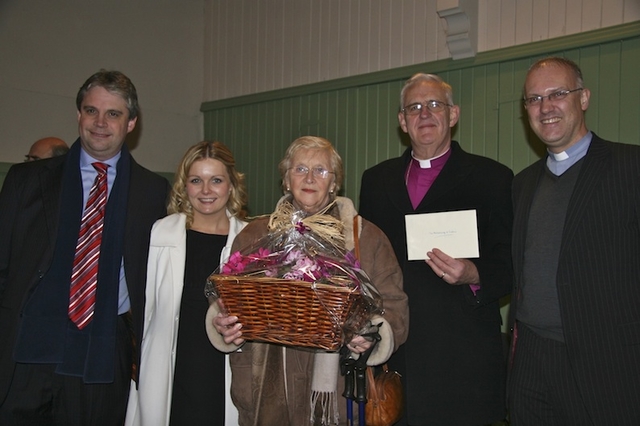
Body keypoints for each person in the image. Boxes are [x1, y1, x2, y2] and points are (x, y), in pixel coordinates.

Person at [0, 70, 170, 425]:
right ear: (79, 115)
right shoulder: (25, 180)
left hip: (102, 356)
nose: (100, 123)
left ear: (132, 123)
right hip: (26, 352)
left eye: (113, 114)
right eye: (91, 111)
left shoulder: (154, 192)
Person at [207, 135, 409, 425]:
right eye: (300, 169)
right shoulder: (255, 235)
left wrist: (372, 332)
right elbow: (224, 295)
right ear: (286, 180)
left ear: (334, 182)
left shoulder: (365, 237)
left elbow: (394, 304)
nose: (310, 178)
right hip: (264, 393)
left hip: (339, 394)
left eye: (321, 170)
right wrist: (221, 321)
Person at [359, 73, 514, 425]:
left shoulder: (492, 178)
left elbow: (510, 263)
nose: (424, 114)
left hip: (463, 358)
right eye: (414, 107)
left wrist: (473, 273)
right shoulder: (376, 181)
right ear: (402, 121)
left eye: (434, 105)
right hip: (396, 354)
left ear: (453, 114)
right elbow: (364, 264)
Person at [508, 56, 640, 425]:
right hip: (532, 359)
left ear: (583, 98)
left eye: (557, 94)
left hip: (608, 361)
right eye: (533, 99)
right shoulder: (523, 183)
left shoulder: (630, 167)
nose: (545, 107)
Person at [125, 141, 248, 426]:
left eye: (216, 180)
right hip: (169, 369)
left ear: (231, 185)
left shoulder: (248, 241)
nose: (206, 191)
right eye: (196, 180)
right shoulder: (160, 235)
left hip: (223, 370)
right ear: (185, 186)